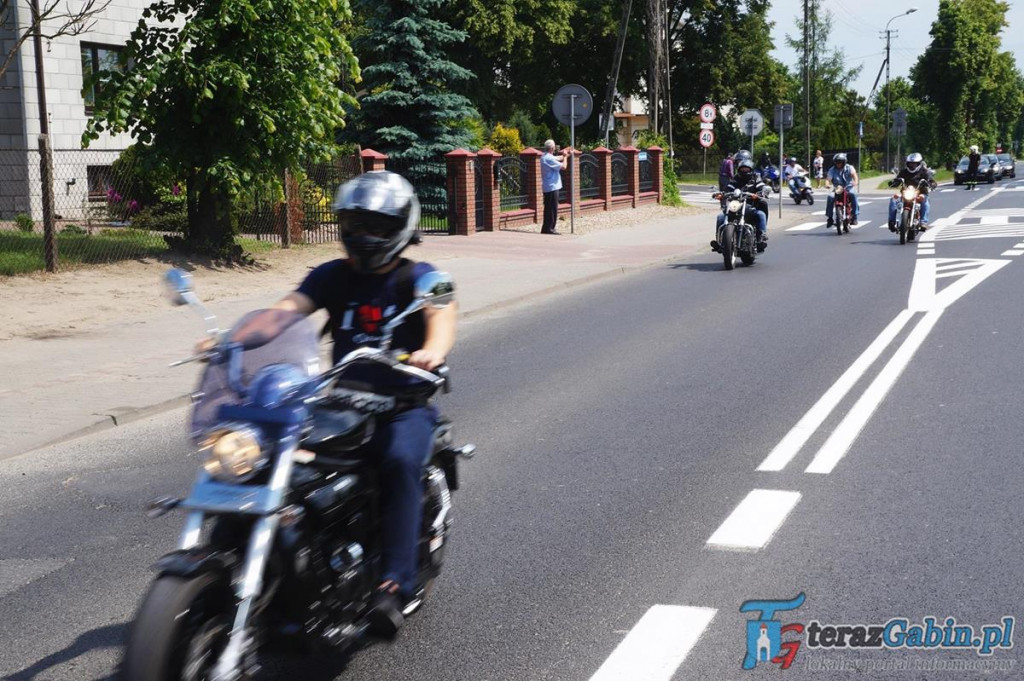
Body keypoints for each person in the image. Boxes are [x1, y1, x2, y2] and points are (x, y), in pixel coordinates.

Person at [252, 171, 457, 636]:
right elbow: (285, 311)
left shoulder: (425, 277)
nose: (364, 236)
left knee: (400, 460)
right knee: (275, 465)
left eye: (377, 226)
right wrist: (236, 339)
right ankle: (273, 574)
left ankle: (394, 583)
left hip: (403, 404)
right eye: (355, 224)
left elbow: (441, 315)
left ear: (401, 227)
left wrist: (433, 351)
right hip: (339, 402)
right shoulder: (331, 275)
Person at [712, 156, 770, 252]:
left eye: (746, 169)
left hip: (750, 206)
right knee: (721, 217)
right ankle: (719, 241)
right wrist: (721, 194)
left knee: (761, 214)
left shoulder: (755, 177)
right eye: (742, 169)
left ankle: (761, 237)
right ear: (739, 169)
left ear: (750, 169)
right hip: (736, 205)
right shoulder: (736, 178)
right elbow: (729, 188)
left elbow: (761, 186)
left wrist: (761, 192)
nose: (744, 170)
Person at [888, 152, 936, 231]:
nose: (912, 165)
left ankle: (923, 222)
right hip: (906, 194)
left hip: (920, 194)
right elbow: (897, 179)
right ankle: (891, 222)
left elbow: (931, 181)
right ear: (907, 163)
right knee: (893, 199)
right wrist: (894, 182)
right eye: (910, 164)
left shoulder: (924, 172)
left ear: (919, 164)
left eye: (914, 164)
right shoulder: (904, 172)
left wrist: (931, 184)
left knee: (925, 201)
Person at [824, 152, 860, 227]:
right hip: (837, 188)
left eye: (840, 162)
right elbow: (828, 178)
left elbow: (854, 176)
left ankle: (855, 216)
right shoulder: (832, 169)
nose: (838, 164)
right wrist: (827, 184)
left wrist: (855, 182)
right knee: (830, 197)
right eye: (837, 162)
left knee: (853, 195)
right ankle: (830, 218)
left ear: (844, 162)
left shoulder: (849, 167)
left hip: (848, 187)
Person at [541, 140, 569, 234]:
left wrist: (567, 154)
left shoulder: (544, 156)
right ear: (552, 148)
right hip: (552, 186)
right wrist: (565, 157)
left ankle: (546, 228)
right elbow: (564, 167)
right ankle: (550, 229)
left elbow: (556, 158)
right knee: (552, 209)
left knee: (548, 208)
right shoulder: (548, 159)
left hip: (548, 186)